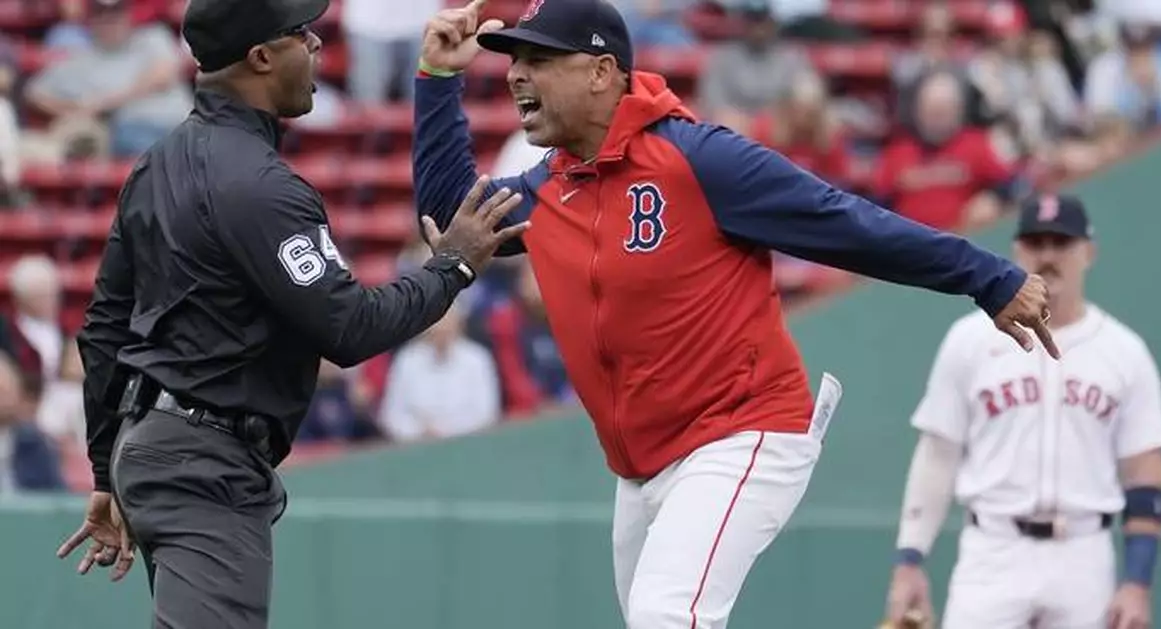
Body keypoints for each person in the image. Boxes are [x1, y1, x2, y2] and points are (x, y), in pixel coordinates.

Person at [414, 1, 1058, 627]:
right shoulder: (549, 186)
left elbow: (846, 222)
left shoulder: (699, 158)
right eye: (514, 60)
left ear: (601, 72)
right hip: (640, 466)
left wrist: (988, 277)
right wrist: (439, 79)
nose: (516, 74)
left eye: (538, 58)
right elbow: (451, 222)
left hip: (741, 432)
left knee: (666, 617)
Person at [53, 0, 527, 626]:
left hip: (154, 451)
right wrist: (454, 266)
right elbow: (350, 327)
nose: (315, 48)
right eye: (302, 36)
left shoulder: (155, 165)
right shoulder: (262, 185)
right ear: (261, 57)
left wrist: (107, 468)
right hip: (204, 461)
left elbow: (105, 329)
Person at [883, 195, 1161, 629]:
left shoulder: (1124, 352)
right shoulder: (970, 341)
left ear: (1088, 252)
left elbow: (1144, 475)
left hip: (1083, 552)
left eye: (1062, 243)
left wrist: (1137, 583)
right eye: (1037, 242)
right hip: (993, 550)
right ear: (1017, 249)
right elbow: (938, 455)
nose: (1048, 255)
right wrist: (909, 558)